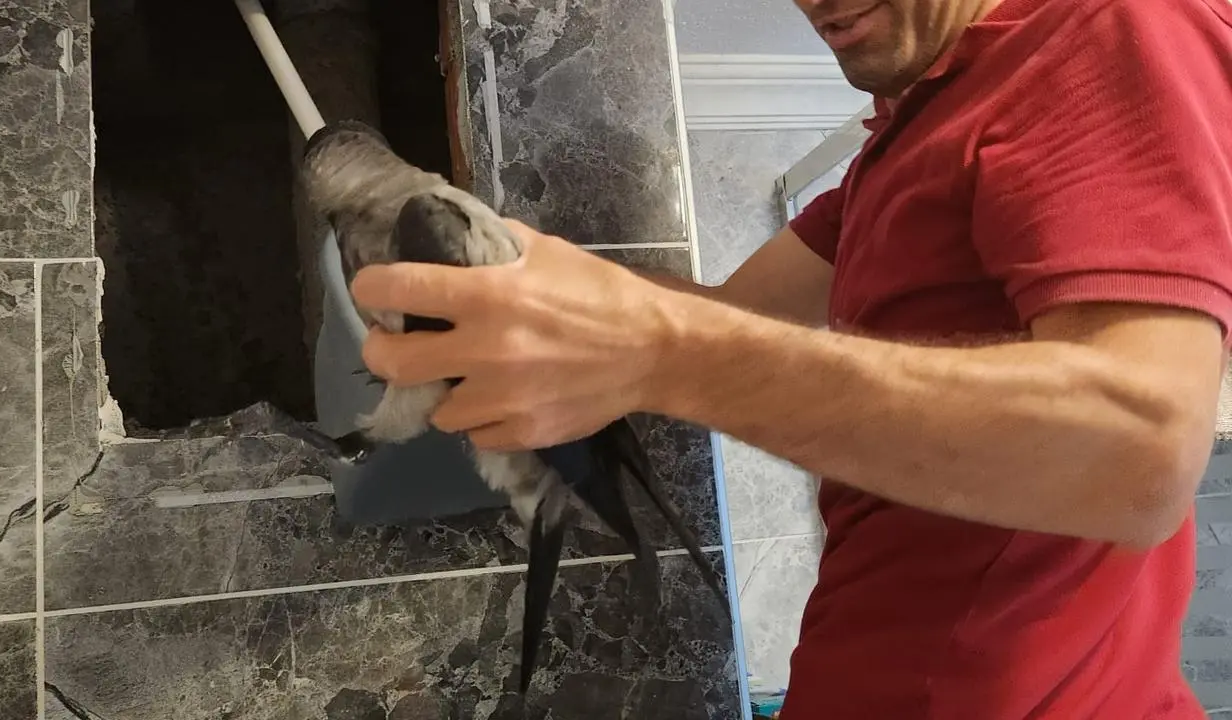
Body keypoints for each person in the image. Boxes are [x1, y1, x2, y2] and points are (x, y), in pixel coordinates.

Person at [350, 0, 1232, 716]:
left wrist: (656, 353)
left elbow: (1137, 455)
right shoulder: (903, 138)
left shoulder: (1113, 26)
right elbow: (731, 314)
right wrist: (502, 275)